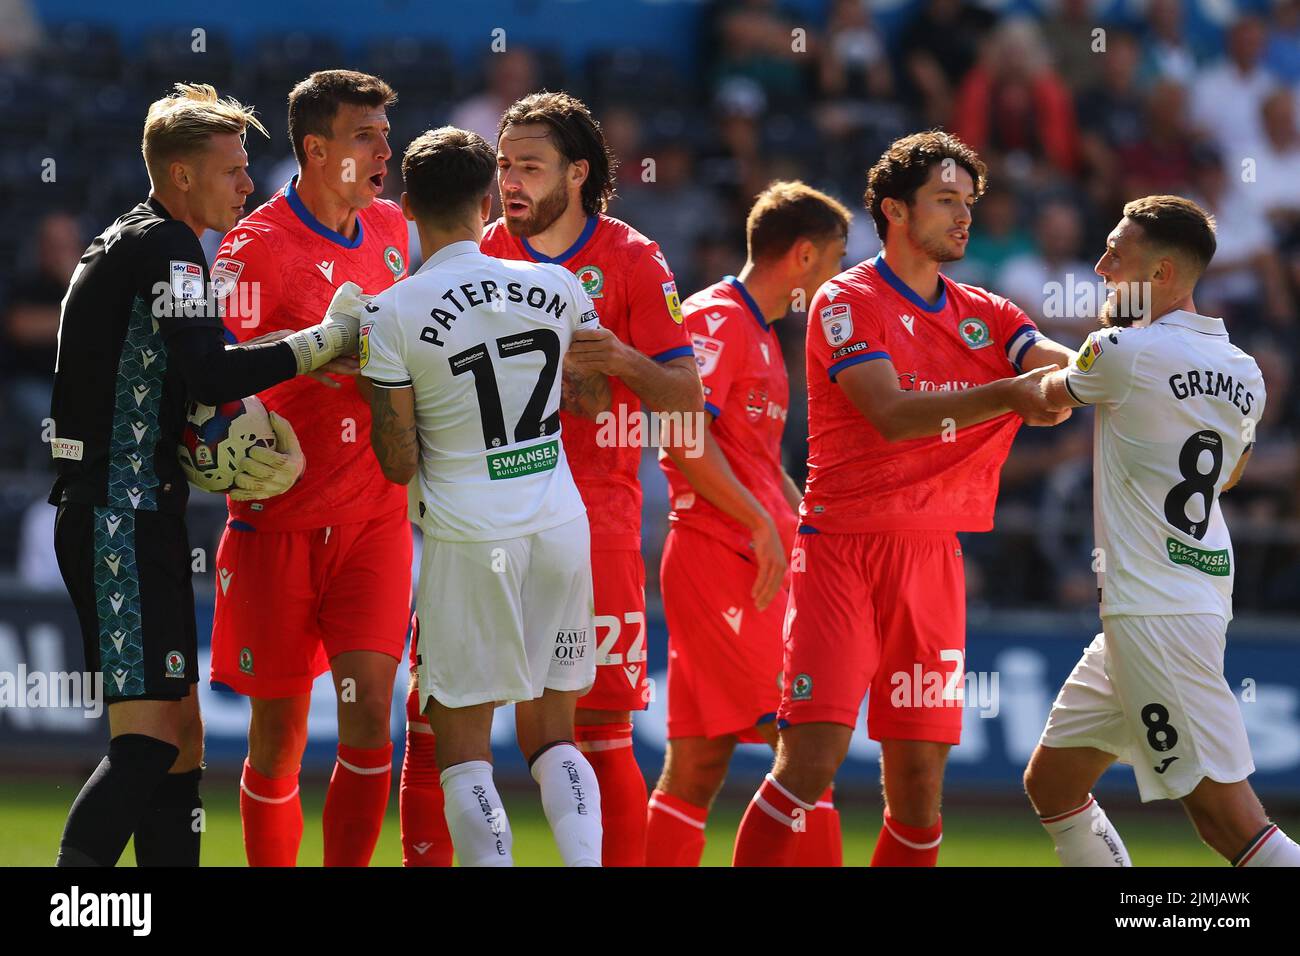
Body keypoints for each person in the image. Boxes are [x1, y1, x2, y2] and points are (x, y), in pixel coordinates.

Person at [731, 130, 1074, 867]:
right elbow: (888, 412)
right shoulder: (845, 301)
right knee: (809, 768)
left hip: (931, 561)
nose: (963, 217)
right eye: (946, 200)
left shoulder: (988, 312)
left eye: (969, 203)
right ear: (894, 210)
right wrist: (1015, 394)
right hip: (841, 554)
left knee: (919, 786)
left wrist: (1124, 369)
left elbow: (1059, 369)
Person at [49, 83, 355, 866]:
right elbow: (211, 374)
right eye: (233, 169)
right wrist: (322, 342)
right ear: (182, 175)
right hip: (118, 515)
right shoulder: (168, 247)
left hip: (135, 512)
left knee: (183, 743)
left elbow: (177, 377)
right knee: (150, 746)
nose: (249, 184)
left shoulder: (136, 240)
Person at [402, 90, 702, 867]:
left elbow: (687, 398)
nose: (510, 182)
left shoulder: (633, 259)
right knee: (435, 725)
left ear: (577, 172)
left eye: (530, 166)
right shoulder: (477, 251)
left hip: (591, 517)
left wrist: (621, 361)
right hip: (482, 516)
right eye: (502, 165)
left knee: (599, 732)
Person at [1022, 195, 1300, 868]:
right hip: (1177, 598)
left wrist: (987, 336)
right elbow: (1227, 478)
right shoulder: (1245, 373)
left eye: (1118, 254)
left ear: (1166, 274)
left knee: (1226, 821)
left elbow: (1041, 401)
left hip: (1155, 613)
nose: (1100, 264)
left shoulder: (1120, 350)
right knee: (1052, 783)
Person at [362, 125, 611, 867]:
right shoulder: (560, 286)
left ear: (406, 206)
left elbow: (398, 463)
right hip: (561, 528)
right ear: (485, 201)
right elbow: (594, 400)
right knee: (556, 734)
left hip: (471, 541)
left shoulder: (392, 312)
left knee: (464, 751)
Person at [209, 70, 413, 867]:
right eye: (366, 136)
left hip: (373, 519)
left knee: (369, 722)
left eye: (385, 135)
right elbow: (217, 369)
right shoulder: (255, 247)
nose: (384, 150)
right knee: (278, 738)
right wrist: (320, 355)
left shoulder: (394, 229)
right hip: (279, 522)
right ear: (317, 149)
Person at [647, 181, 850, 866]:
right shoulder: (716, 319)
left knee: (699, 767)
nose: (838, 280)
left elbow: (759, 464)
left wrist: (806, 524)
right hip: (720, 556)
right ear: (802, 255)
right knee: (803, 747)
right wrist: (759, 524)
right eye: (835, 261)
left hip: (747, 556)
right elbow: (680, 436)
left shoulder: (760, 333)